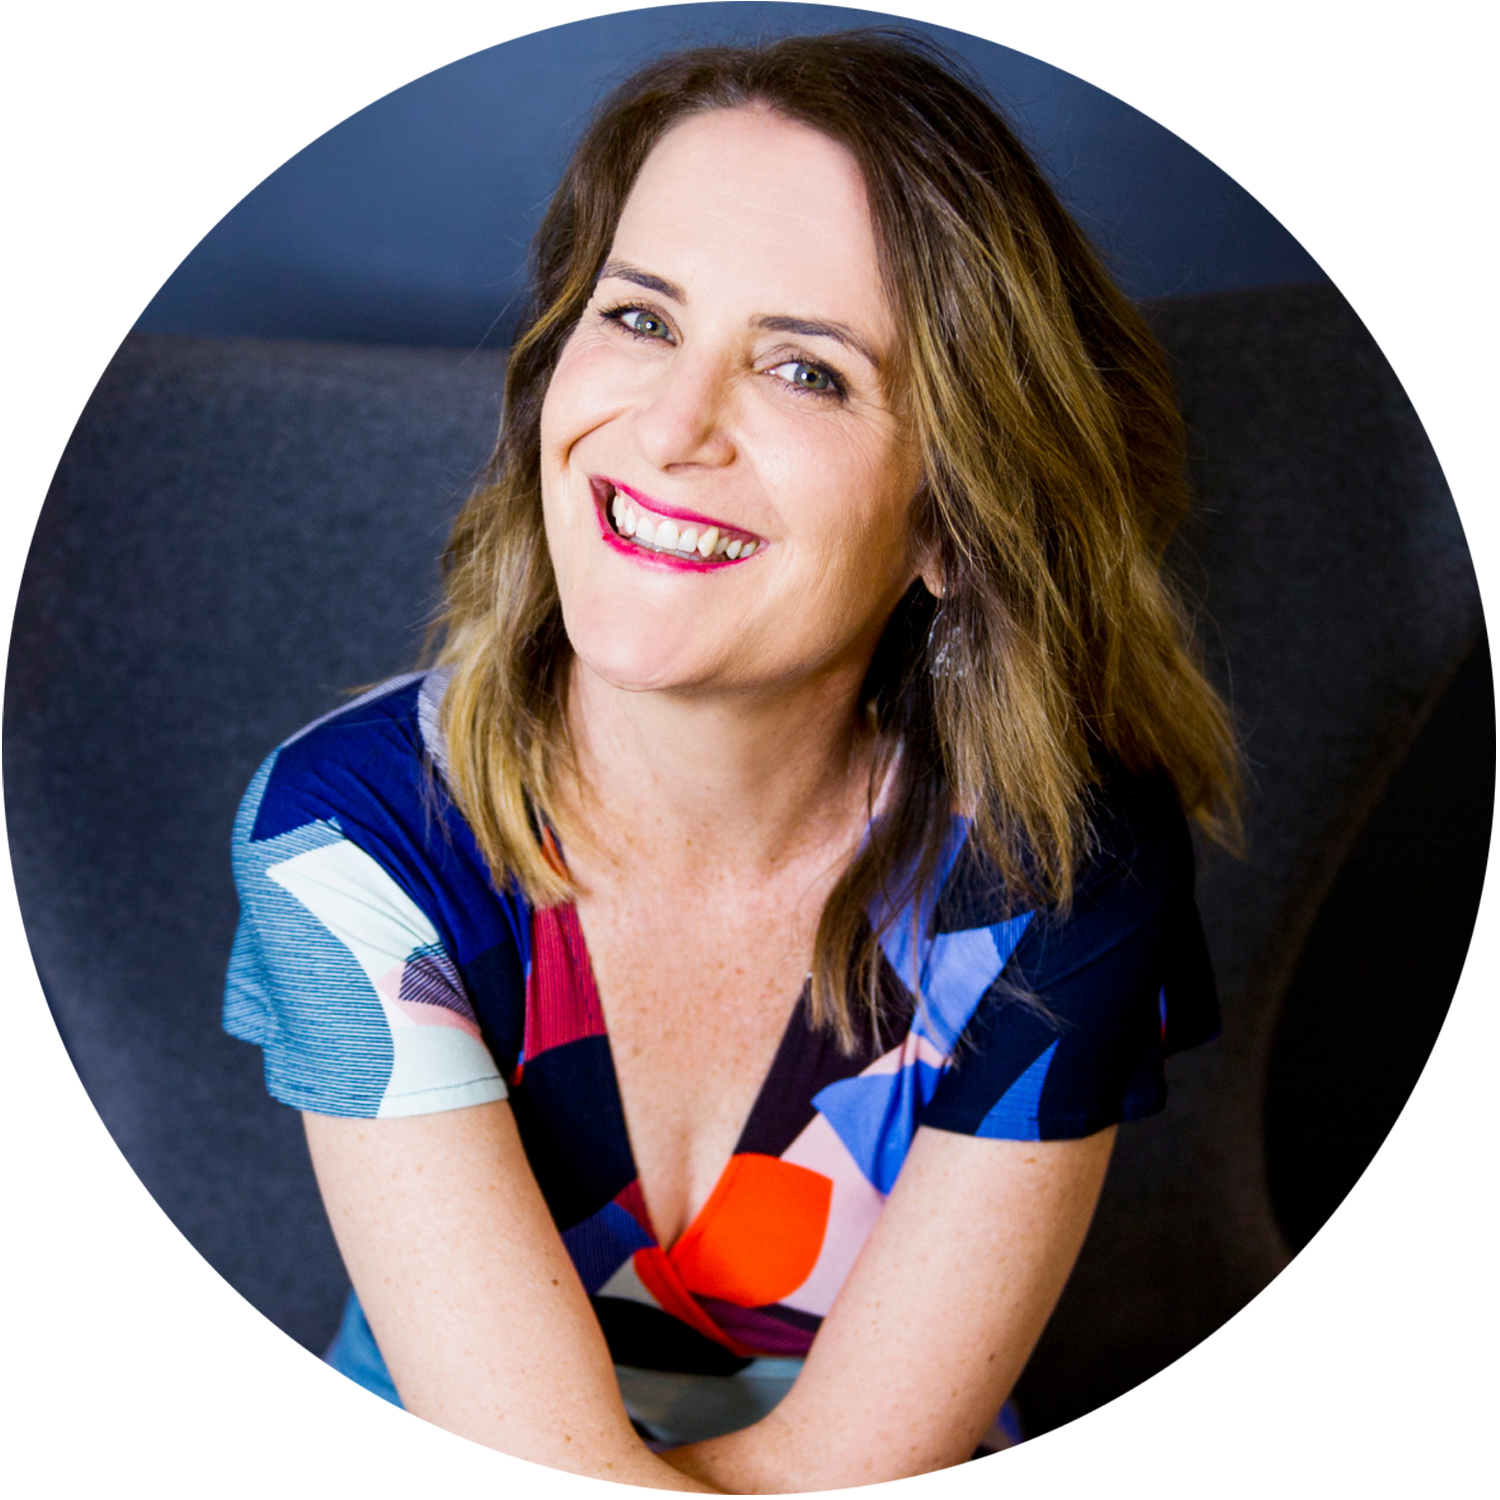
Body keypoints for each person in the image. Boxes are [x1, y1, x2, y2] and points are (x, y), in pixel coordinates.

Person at [224, 29, 1239, 1490]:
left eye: (806, 370)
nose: (669, 428)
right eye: (641, 319)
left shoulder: (1057, 861)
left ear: (951, 522)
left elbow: (864, 1459)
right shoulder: (349, 836)